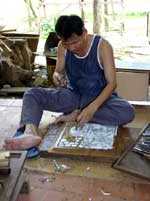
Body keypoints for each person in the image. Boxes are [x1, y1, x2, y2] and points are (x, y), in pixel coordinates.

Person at [4, 14, 135, 151]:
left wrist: (92, 108)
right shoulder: (62, 46)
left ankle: (76, 115)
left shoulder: (102, 46)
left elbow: (112, 84)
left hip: (99, 98)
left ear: (84, 33)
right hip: (73, 96)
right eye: (67, 44)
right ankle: (30, 133)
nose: (71, 48)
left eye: (74, 42)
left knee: (127, 112)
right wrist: (57, 77)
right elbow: (58, 71)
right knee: (32, 94)